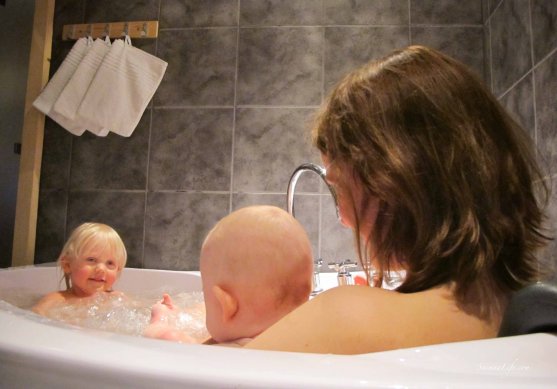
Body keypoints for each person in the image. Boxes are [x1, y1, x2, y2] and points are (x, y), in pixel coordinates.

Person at [243, 45, 551, 354]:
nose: (343, 219)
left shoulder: (347, 318)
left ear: (390, 181)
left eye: (339, 189)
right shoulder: (527, 311)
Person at [144, 205, 314, 346]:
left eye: (206, 294)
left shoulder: (233, 353)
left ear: (226, 305)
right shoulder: (303, 342)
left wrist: (160, 319)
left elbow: (165, 339)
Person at [32, 222, 127, 316]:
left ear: (117, 270)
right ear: (67, 265)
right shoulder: (56, 300)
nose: (101, 269)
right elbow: (36, 320)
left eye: (110, 263)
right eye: (91, 260)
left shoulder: (117, 299)